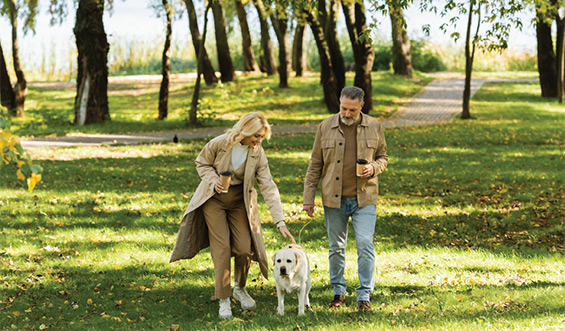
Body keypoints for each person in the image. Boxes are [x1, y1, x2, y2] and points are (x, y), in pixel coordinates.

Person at [170, 112, 296, 319]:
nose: (259, 141)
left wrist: (279, 220)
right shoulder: (220, 143)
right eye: (256, 136)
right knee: (222, 249)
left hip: (240, 201)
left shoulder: (257, 152)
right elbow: (201, 162)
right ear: (244, 130)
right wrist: (213, 180)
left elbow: (268, 185)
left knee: (245, 248)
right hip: (214, 200)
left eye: (262, 137)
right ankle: (224, 298)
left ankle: (239, 287)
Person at [302, 86, 388, 312]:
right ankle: (338, 292)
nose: (346, 114)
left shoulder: (375, 126)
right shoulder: (325, 126)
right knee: (336, 247)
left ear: (362, 106)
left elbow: (383, 157)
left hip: (365, 198)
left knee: (364, 244)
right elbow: (315, 165)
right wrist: (308, 199)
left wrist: (374, 167)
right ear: (339, 103)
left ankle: (364, 295)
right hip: (334, 199)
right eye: (343, 108)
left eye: (352, 109)